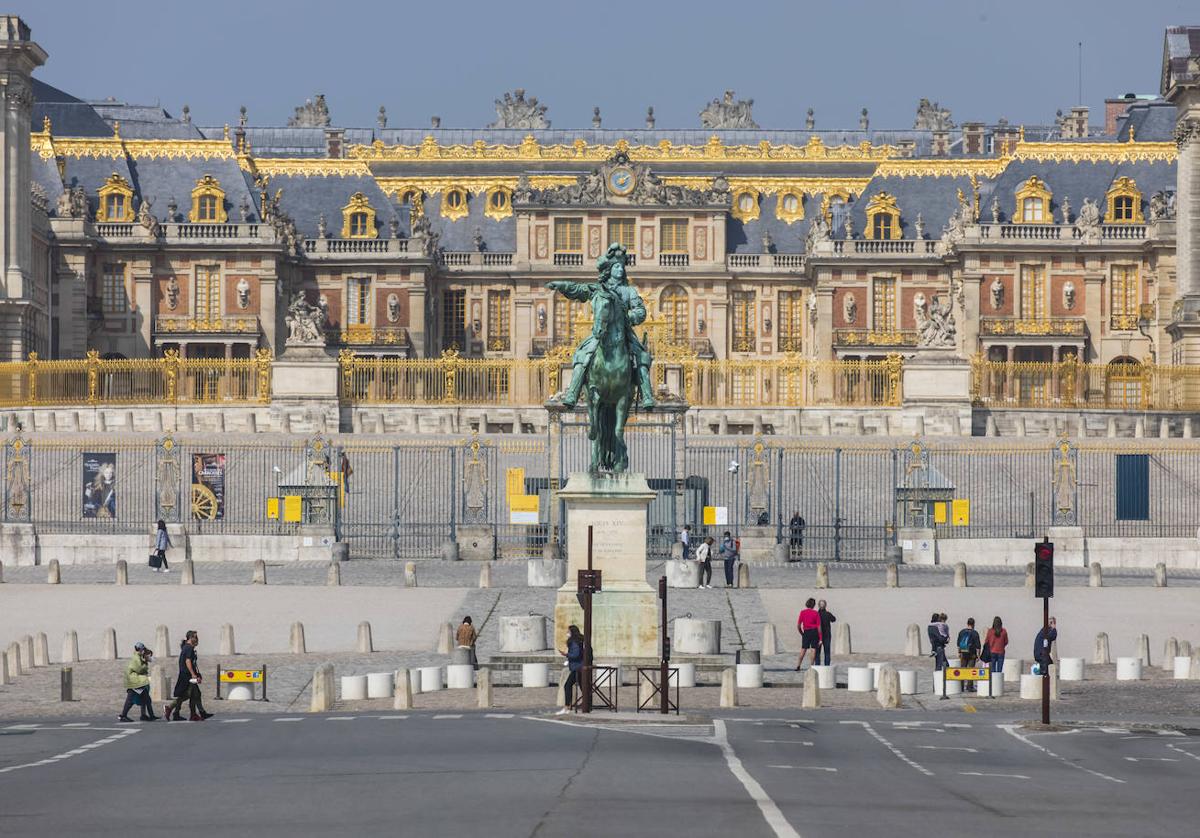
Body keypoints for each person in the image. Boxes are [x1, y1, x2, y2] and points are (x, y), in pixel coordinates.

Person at [166, 630, 212, 722]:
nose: (197, 639)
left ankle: (194, 714)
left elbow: (192, 663)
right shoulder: (188, 648)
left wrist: (196, 673)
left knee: (196, 694)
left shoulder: (187, 648)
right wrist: (193, 674)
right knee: (186, 695)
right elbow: (188, 662)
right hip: (187, 676)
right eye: (196, 637)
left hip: (187, 674)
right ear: (191, 638)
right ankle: (170, 708)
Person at [118, 643, 157, 722]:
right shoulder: (136, 658)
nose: (144, 650)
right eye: (143, 649)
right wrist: (145, 662)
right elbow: (139, 669)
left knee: (146, 698)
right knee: (131, 700)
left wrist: (145, 659)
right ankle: (123, 715)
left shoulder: (138, 657)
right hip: (135, 683)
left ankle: (147, 715)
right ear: (140, 649)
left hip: (137, 682)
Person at [556, 625, 585, 715]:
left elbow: (576, 654)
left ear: (572, 632)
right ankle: (585, 703)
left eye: (568, 631)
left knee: (567, 686)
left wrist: (566, 654)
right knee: (582, 686)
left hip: (577, 667)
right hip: (580, 667)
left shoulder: (573, 642)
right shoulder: (580, 640)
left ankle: (567, 707)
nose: (567, 633)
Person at [956, 617, 982, 692]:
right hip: (972, 655)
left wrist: (959, 653)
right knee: (971, 670)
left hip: (963, 654)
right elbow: (978, 646)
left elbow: (958, 644)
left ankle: (961, 686)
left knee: (962, 669)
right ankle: (969, 687)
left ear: (967, 623)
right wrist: (978, 656)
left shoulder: (962, 632)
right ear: (973, 624)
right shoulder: (975, 633)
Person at [796, 598, 821, 670]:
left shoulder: (802, 612)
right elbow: (819, 627)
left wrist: (801, 633)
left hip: (806, 632)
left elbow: (798, 625)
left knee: (803, 649)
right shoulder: (816, 613)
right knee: (813, 649)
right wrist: (820, 637)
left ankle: (798, 665)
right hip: (814, 632)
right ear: (813, 605)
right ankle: (811, 666)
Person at [817, 599, 837, 666]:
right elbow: (834, 619)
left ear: (818, 606)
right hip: (827, 635)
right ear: (825, 606)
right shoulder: (828, 614)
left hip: (818, 635)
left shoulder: (816, 614)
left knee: (817, 652)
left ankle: (817, 665)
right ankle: (827, 666)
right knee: (827, 652)